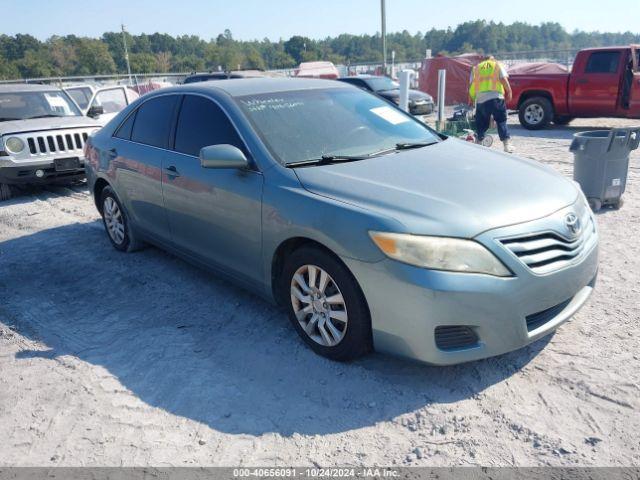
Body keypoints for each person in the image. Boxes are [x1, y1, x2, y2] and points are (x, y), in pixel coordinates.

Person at [469, 55, 514, 153]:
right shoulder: (496, 65)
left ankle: (479, 143)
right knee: (501, 120)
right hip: (496, 97)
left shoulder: (476, 68)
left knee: (481, 123)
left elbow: (472, 86)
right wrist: (509, 91)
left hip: (481, 100)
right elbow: (503, 79)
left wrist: (471, 99)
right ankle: (506, 146)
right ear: (492, 59)